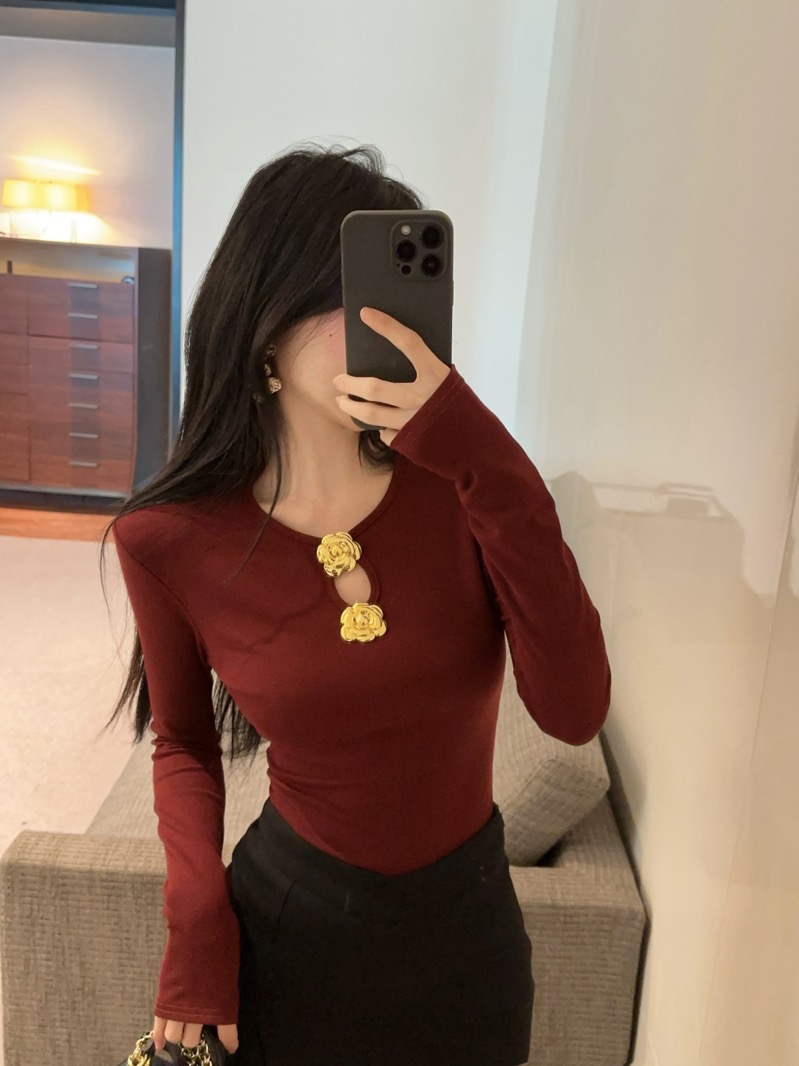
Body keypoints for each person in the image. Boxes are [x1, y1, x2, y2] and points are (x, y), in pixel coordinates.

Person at [100, 141, 612, 1066]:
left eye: (401, 294)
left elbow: (573, 711)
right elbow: (182, 741)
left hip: (469, 941)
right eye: (349, 295)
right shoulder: (168, 538)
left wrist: (485, 456)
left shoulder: (465, 488)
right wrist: (196, 917)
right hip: (290, 937)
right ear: (266, 322)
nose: (384, 324)